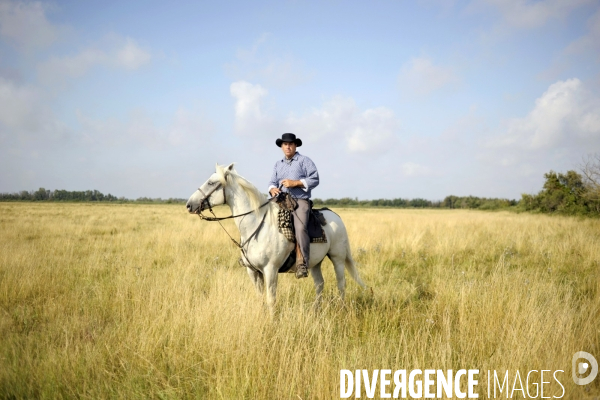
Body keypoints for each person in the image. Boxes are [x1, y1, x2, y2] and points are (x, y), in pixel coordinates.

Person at [268, 133, 319, 279]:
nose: (288, 146)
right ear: (282, 147)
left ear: (295, 145)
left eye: (290, 144)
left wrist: (295, 183)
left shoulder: (304, 161)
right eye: (285, 144)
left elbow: (315, 179)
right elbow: (271, 182)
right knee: (261, 216)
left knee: (300, 227)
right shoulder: (278, 164)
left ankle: (302, 263)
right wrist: (272, 189)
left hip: (300, 200)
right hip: (280, 200)